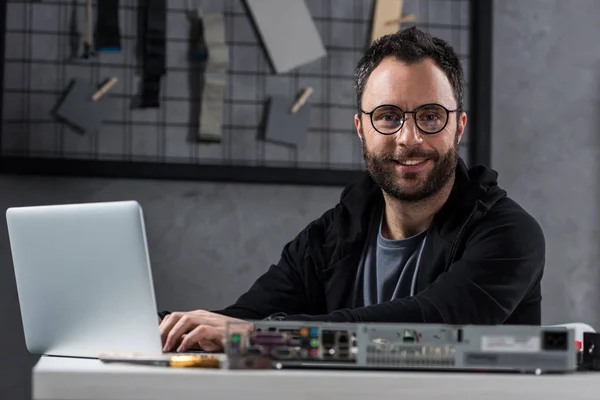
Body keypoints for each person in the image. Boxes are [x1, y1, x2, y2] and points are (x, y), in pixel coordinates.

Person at [158, 27, 545, 353]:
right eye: (388, 117)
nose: (408, 139)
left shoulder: (509, 235)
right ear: (361, 129)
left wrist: (263, 337)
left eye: (430, 116)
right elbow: (240, 323)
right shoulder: (329, 237)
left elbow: (431, 330)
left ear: (458, 127)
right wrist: (162, 327)